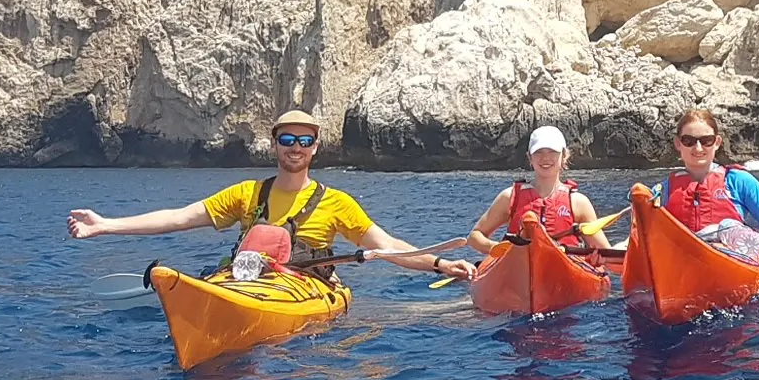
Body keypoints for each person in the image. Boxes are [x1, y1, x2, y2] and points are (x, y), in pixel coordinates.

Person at [65, 109, 473, 280]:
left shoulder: (338, 203)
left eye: (304, 140)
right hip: (246, 281)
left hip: (302, 287)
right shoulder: (246, 194)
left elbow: (387, 247)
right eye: (287, 139)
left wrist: (439, 263)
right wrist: (106, 226)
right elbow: (179, 217)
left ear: (315, 148)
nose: (295, 147)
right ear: (275, 145)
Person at [654, 107, 759, 258]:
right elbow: (641, 233)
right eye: (688, 141)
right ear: (678, 143)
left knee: (731, 232)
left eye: (706, 141)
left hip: (730, 258)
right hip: (681, 260)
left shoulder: (739, 181)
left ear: (717, 142)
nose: (698, 148)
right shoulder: (662, 192)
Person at [467, 125, 613, 255]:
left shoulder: (578, 202)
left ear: (564, 156)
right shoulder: (510, 197)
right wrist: (498, 248)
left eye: (552, 152)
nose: (545, 158)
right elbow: (475, 236)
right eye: (538, 152)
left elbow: (604, 250)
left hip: (563, 270)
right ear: (529, 158)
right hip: (517, 268)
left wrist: (597, 257)